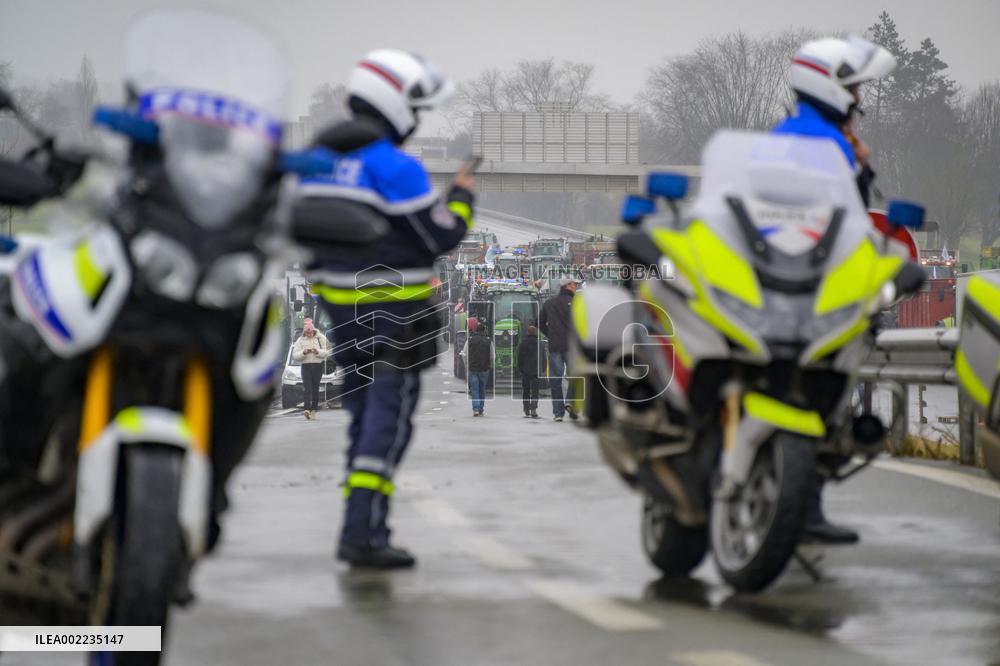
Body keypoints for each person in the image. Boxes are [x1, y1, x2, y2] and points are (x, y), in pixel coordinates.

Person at [300, 49, 476, 569]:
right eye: (415, 110)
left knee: (361, 416)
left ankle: (367, 527)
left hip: (341, 313)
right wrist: (463, 198)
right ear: (394, 103)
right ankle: (361, 532)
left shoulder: (320, 159)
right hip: (397, 318)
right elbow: (437, 236)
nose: (416, 121)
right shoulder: (395, 167)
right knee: (389, 421)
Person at [773, 35, 897, 545]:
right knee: (817, 397)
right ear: (831, 87)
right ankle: (805, 507)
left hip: (774, 288)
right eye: (855, 88)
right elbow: (846, 220)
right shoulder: (828, 146)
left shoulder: (782, 134)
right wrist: (862, 168)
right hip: (812, 292)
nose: (860, 99)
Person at [539, 276, 579, 422]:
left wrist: (550, 334)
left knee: (555, 380)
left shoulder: (549, 303)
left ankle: (558, 413)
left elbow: (539, 322)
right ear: (567, 286)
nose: (576, 287)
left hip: (554, 345)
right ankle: (570, 402)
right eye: (574, 284)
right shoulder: (576, 303)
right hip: (571, 347)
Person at [291, 318, 330, 420]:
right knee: (307, 388)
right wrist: (303, 352)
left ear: (313, 330)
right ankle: (306, 410)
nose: (309, 334)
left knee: (315, 389)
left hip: (318, 366)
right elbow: (294, 355)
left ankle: (314, 410)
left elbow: (328, 351)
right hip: (306, 366)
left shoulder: (321, 338)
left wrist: (318, 352)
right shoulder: (300, 340)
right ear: (305, 332)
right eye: (307, 333)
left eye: (311, 332)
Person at [461, 319, 492, 416]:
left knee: (474, 389)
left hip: (472, 368)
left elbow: (464, 354)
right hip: (484, 369)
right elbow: (493, 356)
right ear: (484, 331)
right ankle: (481, 408)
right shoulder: (489, 341)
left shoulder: (469, 340)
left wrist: (466, 364)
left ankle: (476, 409)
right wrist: (489, 365)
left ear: (475, 330)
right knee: (482, 389)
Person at [517, 324, 543, 418]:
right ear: (535, 332)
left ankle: (526, 409)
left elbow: (519, 357)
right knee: (535, 391)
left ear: (527, 332)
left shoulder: (523, 343)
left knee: (526, 391)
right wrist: (542, 369)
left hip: (526, 371)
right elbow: (543, 358)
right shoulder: (539, 343)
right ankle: (533, 409)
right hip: (536, 371)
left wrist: (520, 369)